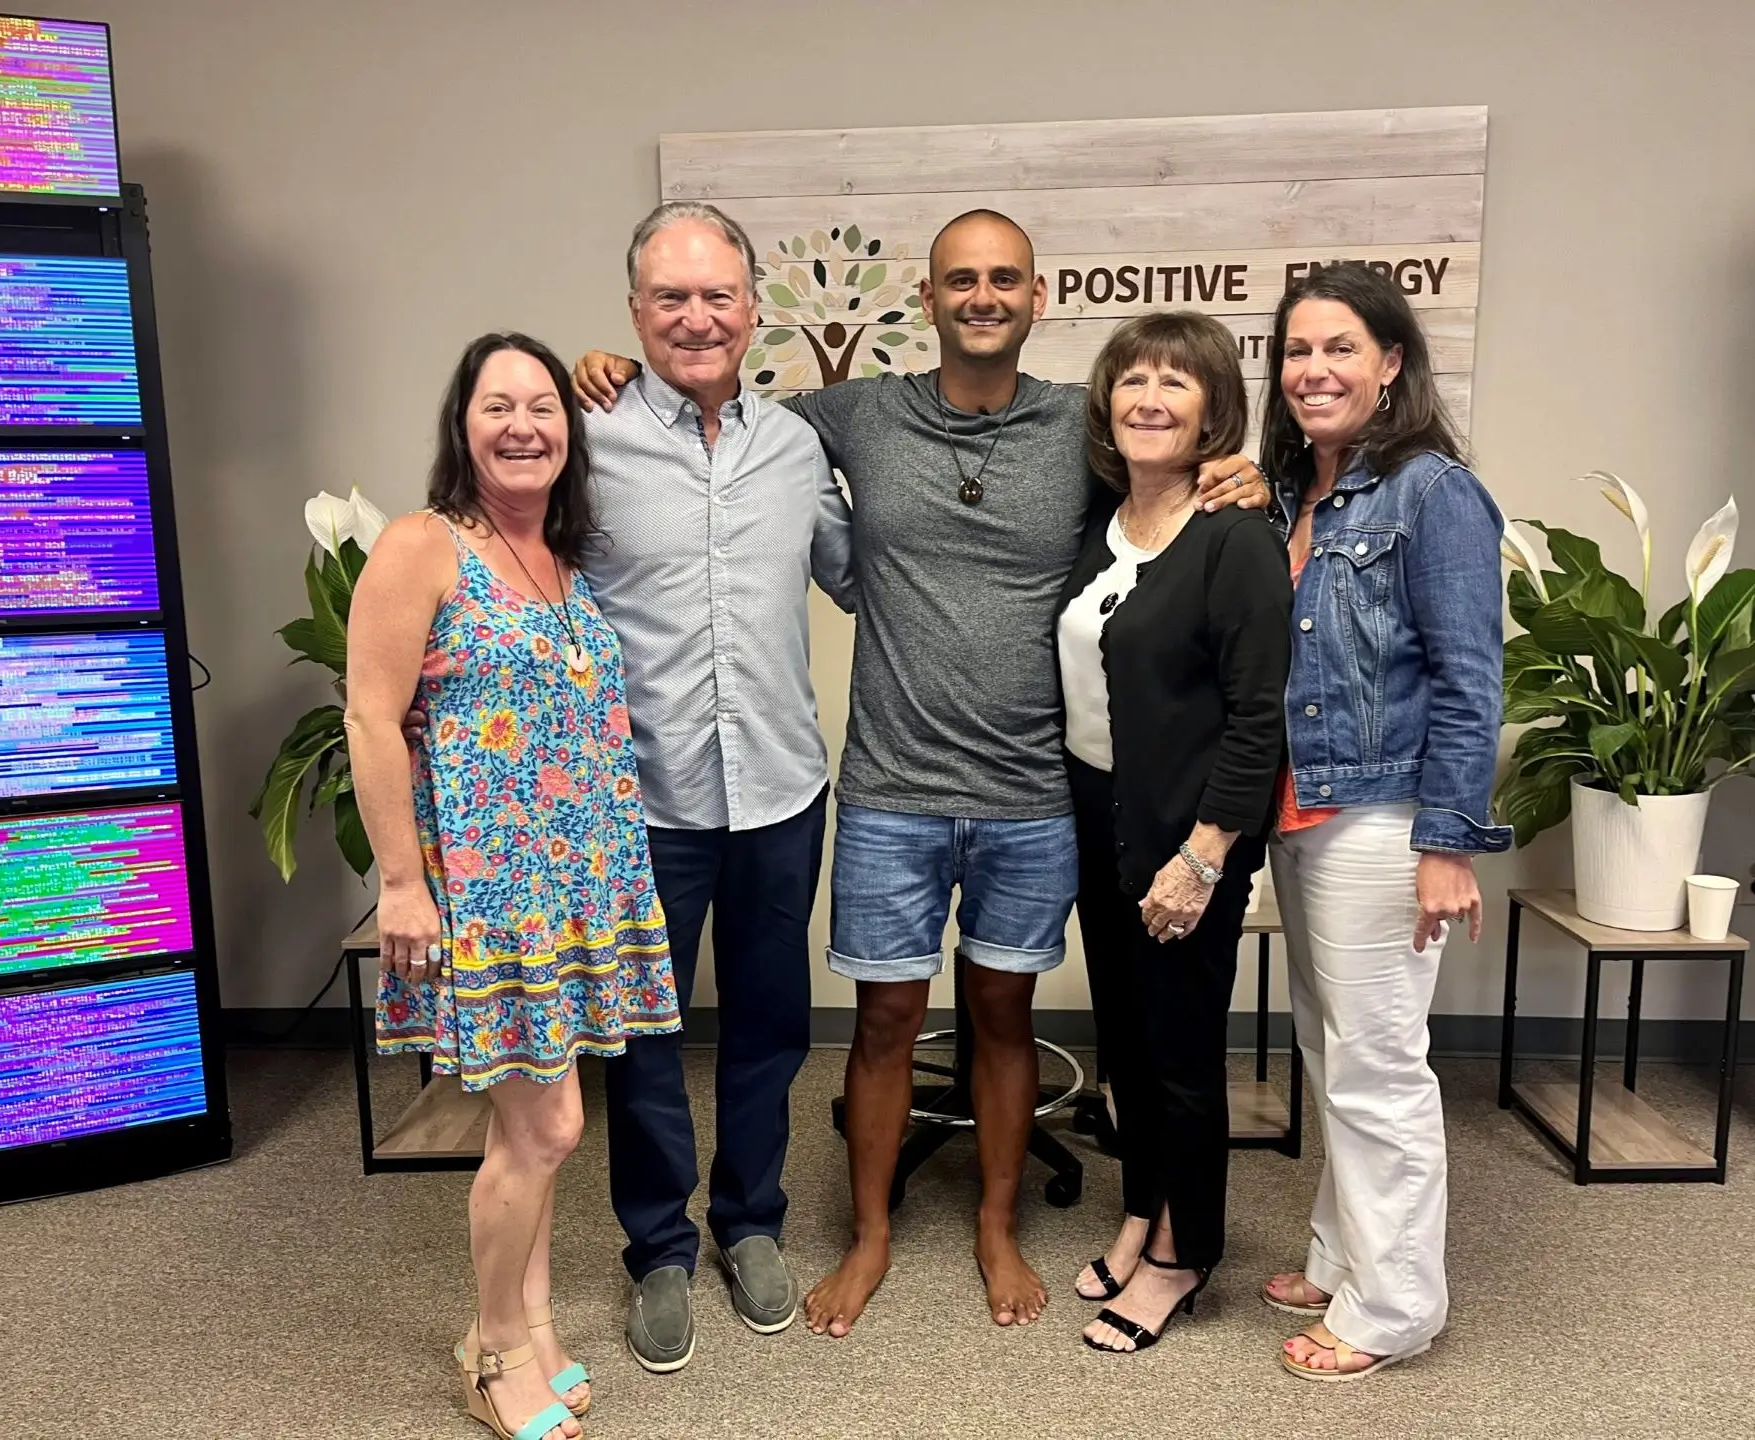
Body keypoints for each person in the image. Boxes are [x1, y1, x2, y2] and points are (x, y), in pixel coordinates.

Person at [574, 209, 1272, 1337]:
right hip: (890, 785)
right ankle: (871, 1239)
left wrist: (1234, 472)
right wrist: (594, 372)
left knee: (1002, 1015)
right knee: (883, 1023)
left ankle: (995, 1228)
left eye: (1004, 279)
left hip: (1030, 792)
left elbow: (1164, 485)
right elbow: (714, 403)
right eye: (961, 279)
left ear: (1036, 297)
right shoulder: (846, 416)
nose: (983, 295)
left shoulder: (1079, 431)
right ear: (928, 299)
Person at [347, 333, 679, 1440]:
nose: (525, 424)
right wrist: (402, 883)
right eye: (499, 406)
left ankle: (532, 1324)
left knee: (537, 1131)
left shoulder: (565, 561)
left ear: (569, 430)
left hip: (575, 890)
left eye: (543, 404)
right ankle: (492, 1351)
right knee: (546, 1132)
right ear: (464, 424)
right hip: (488, 896)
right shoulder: (422, 545)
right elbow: (370, 719)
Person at [582, 203, 857, 1373]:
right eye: (669, 297)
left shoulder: (799, 448)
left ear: (754, 308)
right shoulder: (581, 439)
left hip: (781, 791)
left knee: (768, 1029)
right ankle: (656, 1248)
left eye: (718, 296)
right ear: (636, 310)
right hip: (638, 800)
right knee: (642, 1039)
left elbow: (866, 576)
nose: (696, 317)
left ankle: (751, 1224)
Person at [1251, 261, 1510, 1381]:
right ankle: (1341, 1250)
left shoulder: (1429, 492)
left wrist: (1447, 841)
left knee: (1377, 1067)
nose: (1315, 370)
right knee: (1330, 1048)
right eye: (1298, 352)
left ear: (1391, 362)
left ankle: (1396, 1305)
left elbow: (1469, 676)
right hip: (1301, 812)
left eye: (1341, 348)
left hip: (1382, 813)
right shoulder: (1287, 493)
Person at [1057, 312, 1292, 1353]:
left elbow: (1259, 716)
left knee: (1185, 1056)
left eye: (1177, 384)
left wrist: (1203, 857)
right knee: (1128, 1046)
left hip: (1183, 838)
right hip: (1095, 819)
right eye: (1133, 379)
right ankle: (1142, 1208)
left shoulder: (1235, 536)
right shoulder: (1097, 517)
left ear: (1212, 411)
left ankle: (1185, 1252)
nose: (1150, 398)